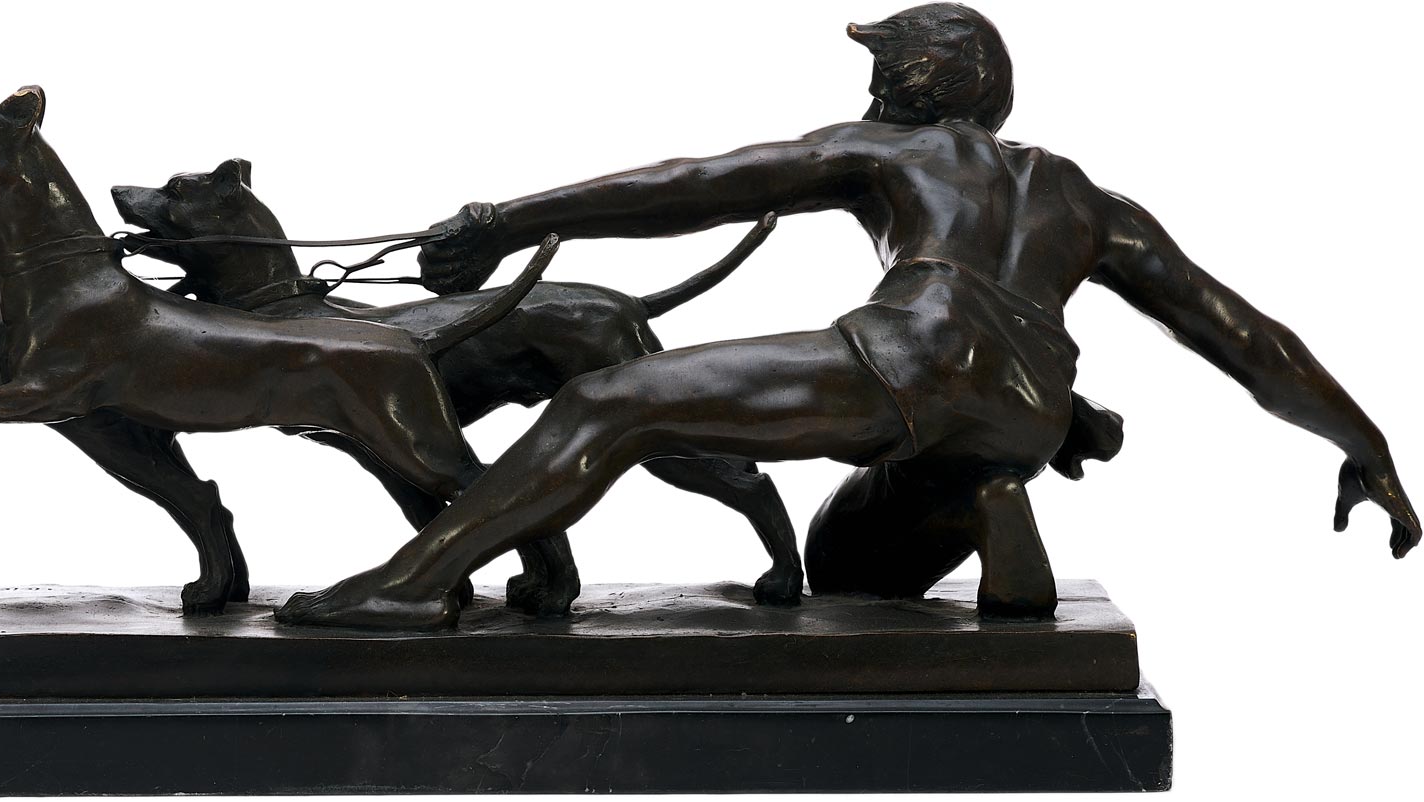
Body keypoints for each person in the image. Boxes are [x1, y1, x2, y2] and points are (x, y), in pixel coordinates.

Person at [275, 3, 1420, 630]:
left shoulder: (891, 150)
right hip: (1026, 409)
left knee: (606, 400)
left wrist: (511, 218)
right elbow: (1248, 336)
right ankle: (984, 494)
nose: (872, 85)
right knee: (843, 567)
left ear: (929, 80)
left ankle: (410, 586)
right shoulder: (1088, 202)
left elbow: (698, 182)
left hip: (907, 360)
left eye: (888, 64)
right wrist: (1364, 443)